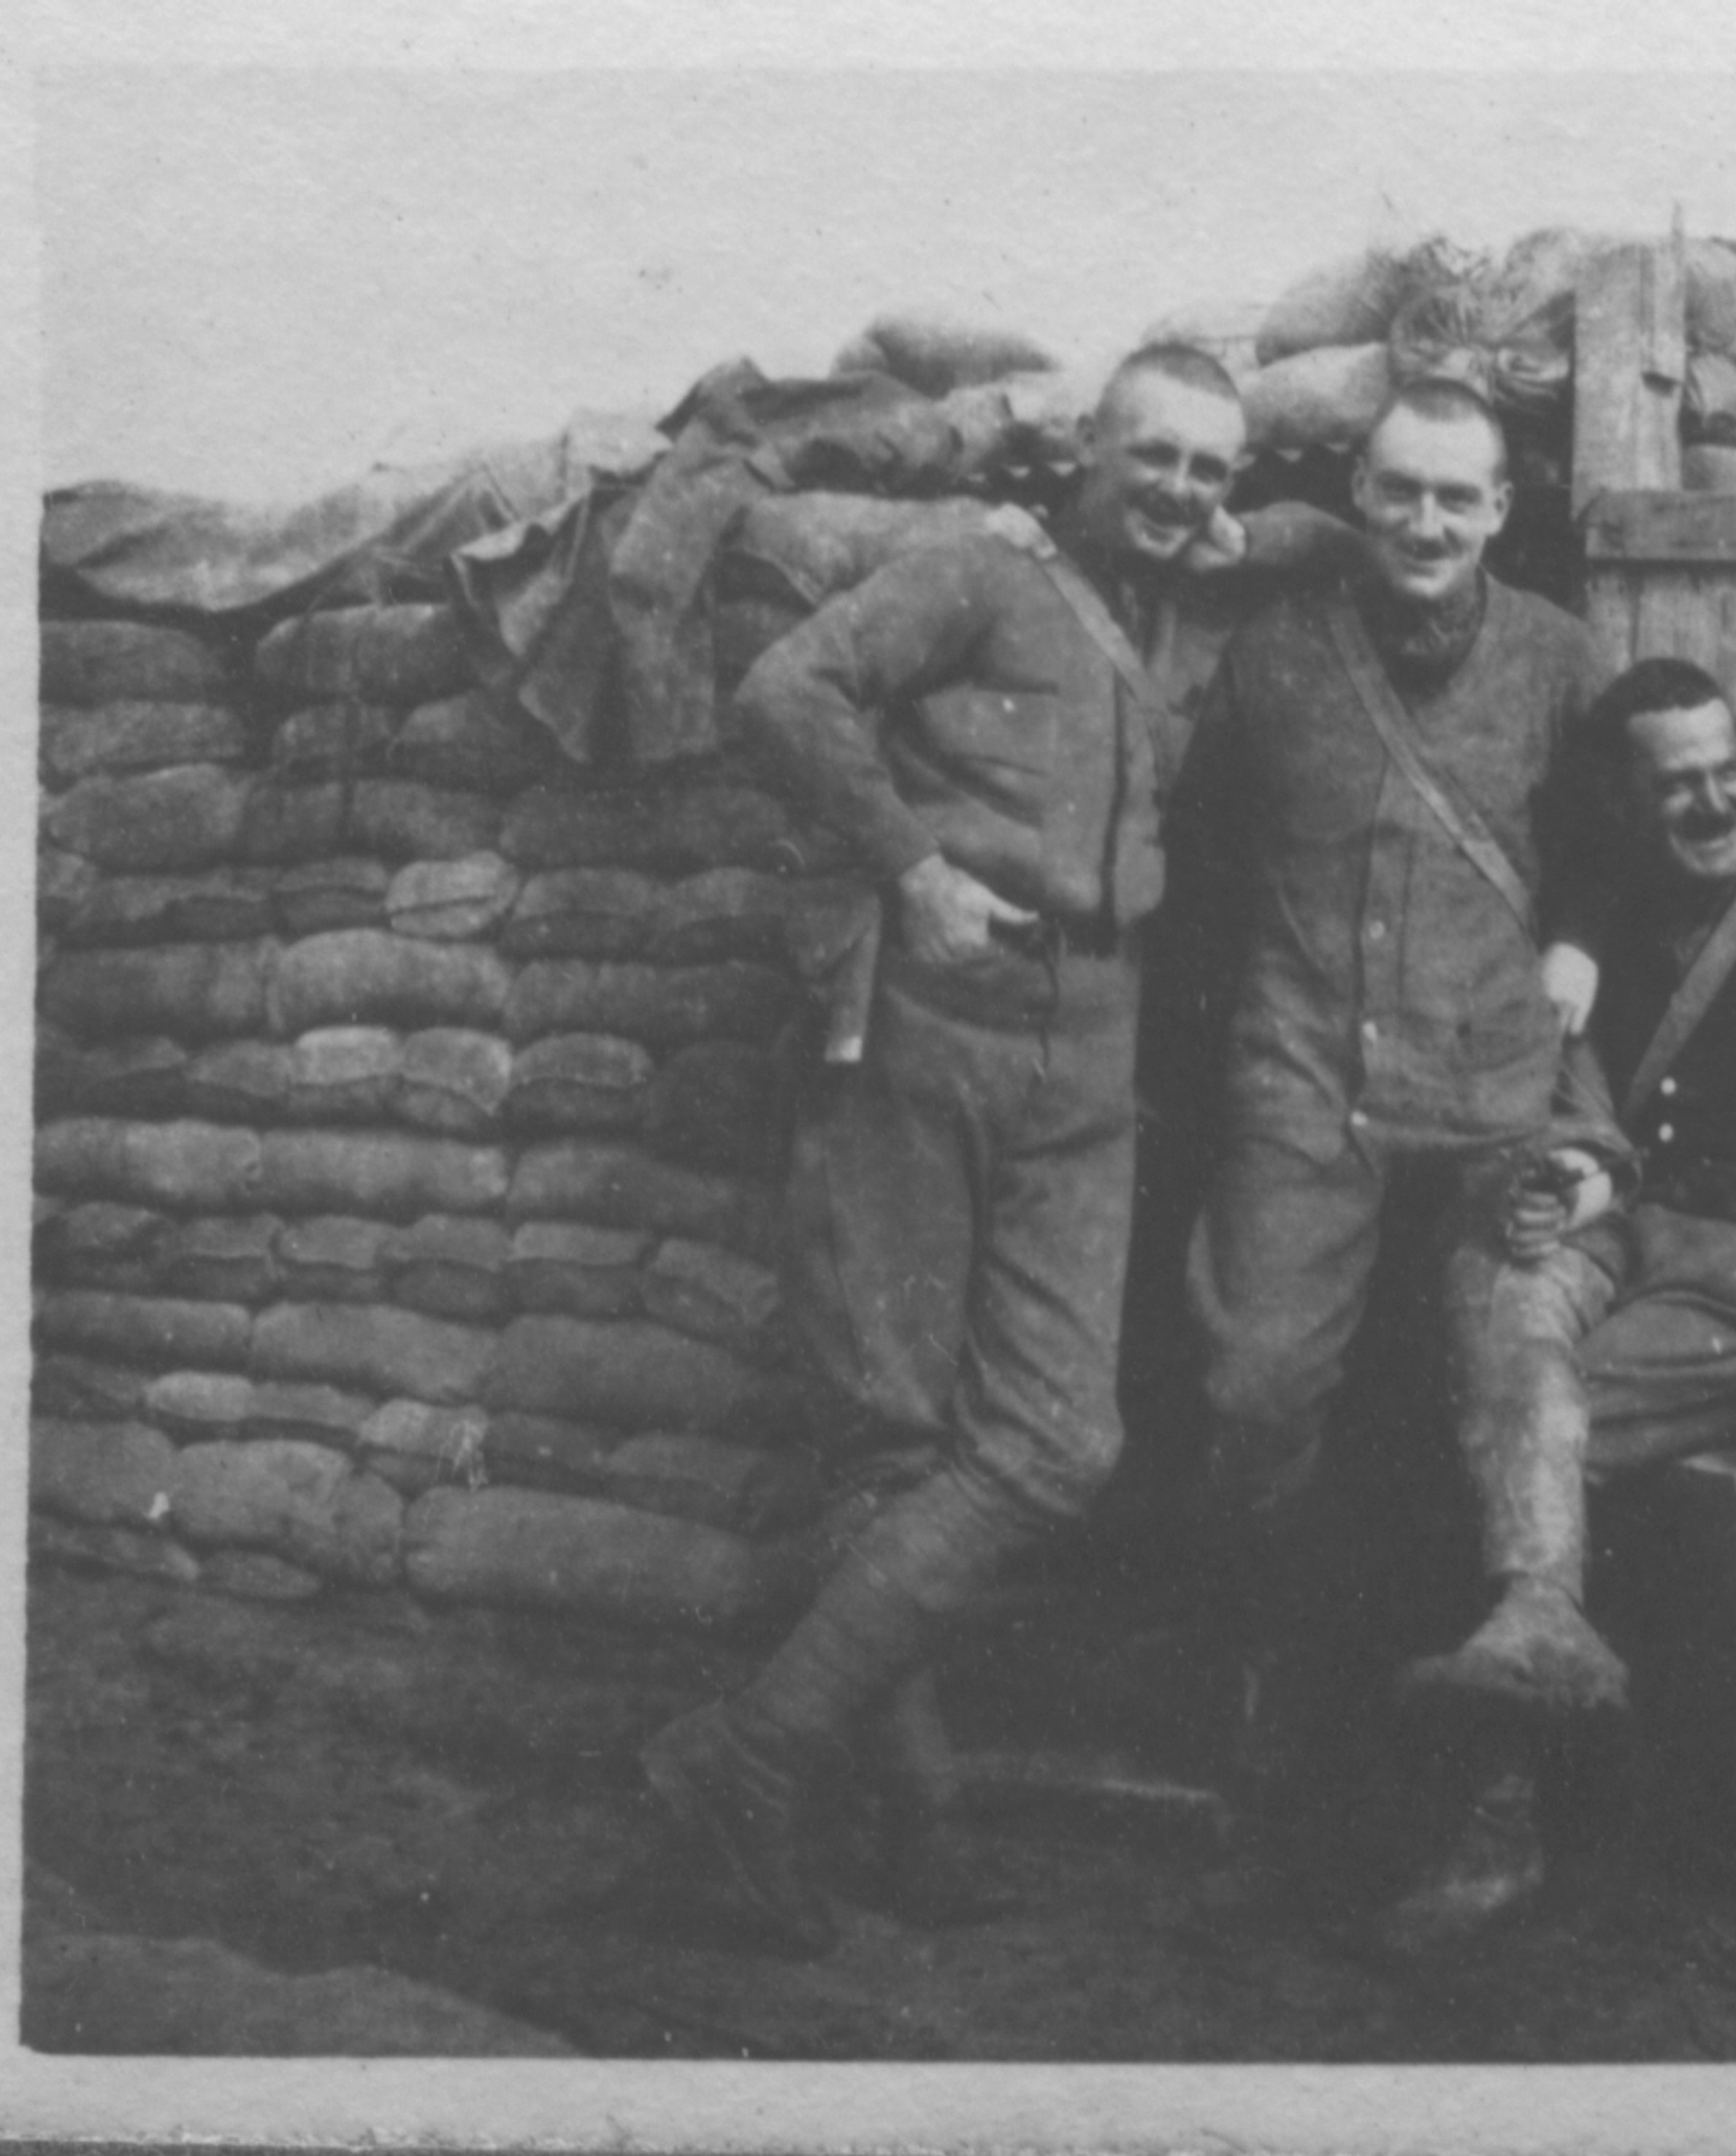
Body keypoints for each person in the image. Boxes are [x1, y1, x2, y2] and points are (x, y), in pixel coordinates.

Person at [640, 344, 1340, 1956]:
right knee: (890, 1439)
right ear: (1086, 454)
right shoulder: (973, 573)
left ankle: (750, 1758)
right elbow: (780, 690)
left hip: (1092, 1048)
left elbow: (1329, 553)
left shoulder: (1192, 620)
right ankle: (920, 1816)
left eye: (1210, 472)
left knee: (1053, 1439)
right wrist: (908, 868)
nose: (1178, 491)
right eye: (1152, 457)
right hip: (928, 1019)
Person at [1377, 657, 1736, 1952]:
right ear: (1625, 801)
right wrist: (1565, 1178)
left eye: (1726, 775)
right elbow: (1589, 1106)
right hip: (1634, 1217)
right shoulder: (1598, 915)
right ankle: (1539, 1630)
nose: (1709, 805)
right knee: (1491, 1282)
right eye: (1674, 785)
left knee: (1518, 1426)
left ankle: (1500, 1820)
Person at [1173, 377, 1617, 1830]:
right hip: (1306, 1082)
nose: (1424, 522)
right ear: (1356, 496)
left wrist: (1579, 944)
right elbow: (1202, 851)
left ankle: (1496, 1747)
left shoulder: (1559, 660)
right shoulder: (1273, 655)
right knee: (1257, 1390)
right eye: (1399, 491)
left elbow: (1617, 840)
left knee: (1492, 1382)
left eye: (1456, 497)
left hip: (1492, 1090)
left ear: (1499, 512)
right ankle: (1272, 1659)